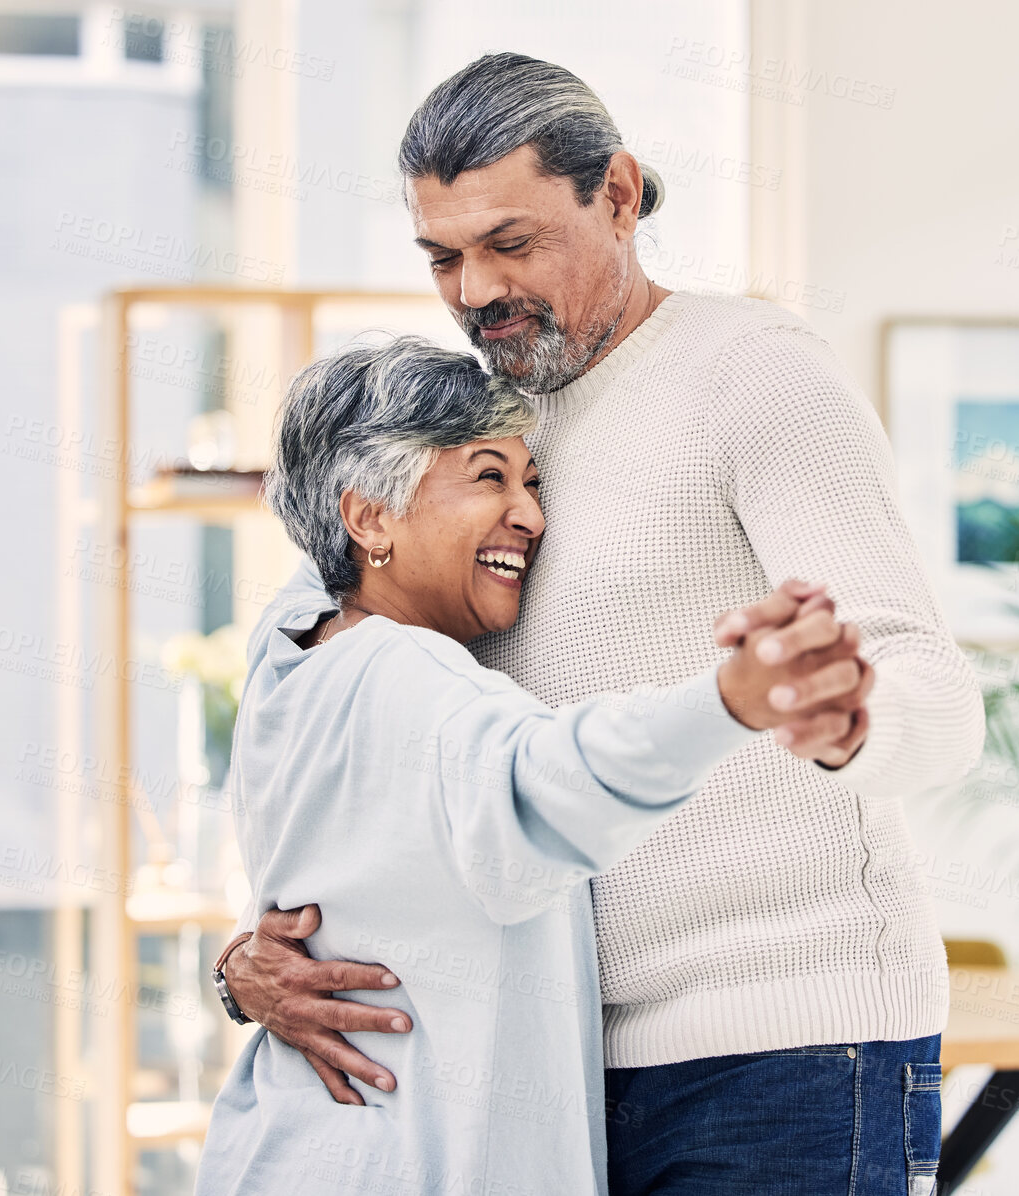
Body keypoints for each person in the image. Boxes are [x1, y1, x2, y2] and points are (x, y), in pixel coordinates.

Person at [219, 53, 984, 1195]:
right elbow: (314, 706)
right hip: (552, 1067)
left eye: (510, 244)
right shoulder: (475, 428)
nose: (475, 290)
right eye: (443, 257)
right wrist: (240, 963)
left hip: (782, 1047)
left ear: (618, 195)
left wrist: (844, 714)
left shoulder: (751, 374)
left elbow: (937, 694)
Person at [193, 336, 848, 1196]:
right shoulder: (411, 676)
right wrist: (731, 699)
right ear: (370, 517)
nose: (531, 516)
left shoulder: (291, 647)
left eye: (532, 482)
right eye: (487, 476)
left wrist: (237, 968)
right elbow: (552, 781)